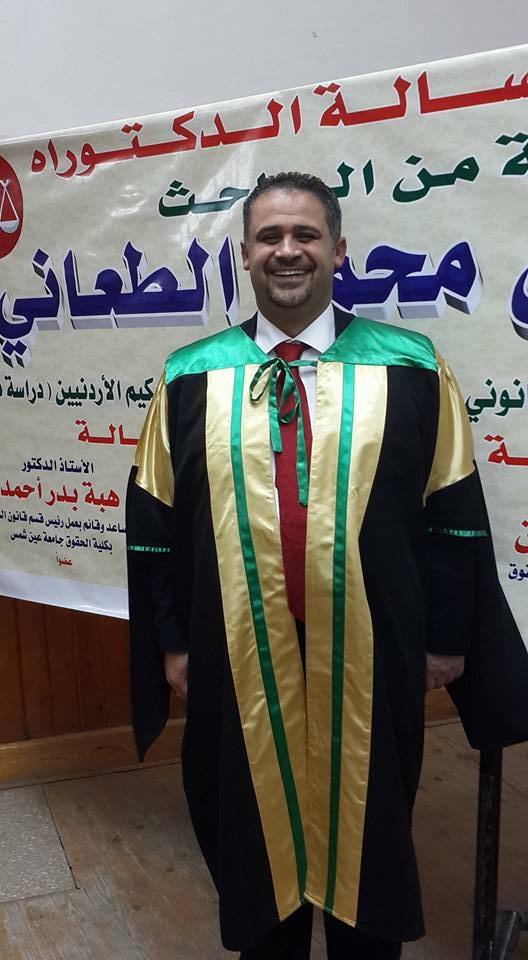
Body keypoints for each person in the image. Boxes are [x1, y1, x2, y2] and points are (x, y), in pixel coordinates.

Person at [126, 172, 528, 959]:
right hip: (236, 656)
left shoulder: (410, 366)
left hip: (373, 657)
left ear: (338, 251)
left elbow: (453, 512)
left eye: (305, 235)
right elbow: (153, 526)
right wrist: (172, 643)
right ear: (245, 256)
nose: (288, 250)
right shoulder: (189, 376)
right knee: (249, 840)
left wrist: (448, 640)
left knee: (370, 844)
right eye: (270, 236)